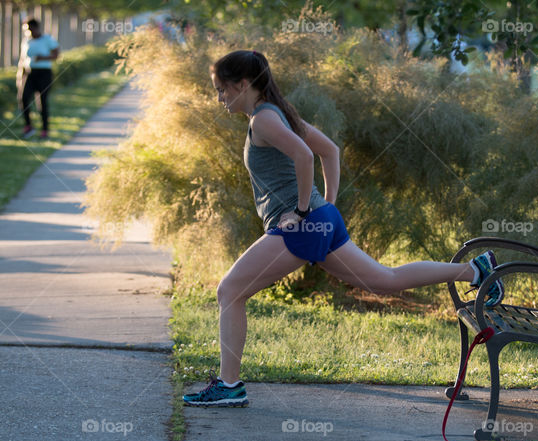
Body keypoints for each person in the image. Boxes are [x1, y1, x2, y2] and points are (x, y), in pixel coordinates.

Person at [182, 50, 504, 407]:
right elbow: (330, 151)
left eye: (222, 89)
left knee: (229, 291)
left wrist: (303, 212)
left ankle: (229, 386)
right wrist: (327, 207)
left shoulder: (264, 120)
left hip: (303, 225)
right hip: (321, 221)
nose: (219, 98)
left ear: (243, 85)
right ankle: (475, 270)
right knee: (385, 280)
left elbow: (306, 156)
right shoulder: (279, 113)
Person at [18, 18, 59, 139]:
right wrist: (21, 73)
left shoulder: (47, 39)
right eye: (26, 30)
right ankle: (28, 126)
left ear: (36, 28)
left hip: (44, 73)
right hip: (30, 73)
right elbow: (23, 58)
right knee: (23, 98)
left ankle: (45, 130)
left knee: (42, 102)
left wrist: (43, 58)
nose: (29, 32)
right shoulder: (27, 41)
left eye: (30, 30)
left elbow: (56, 54)